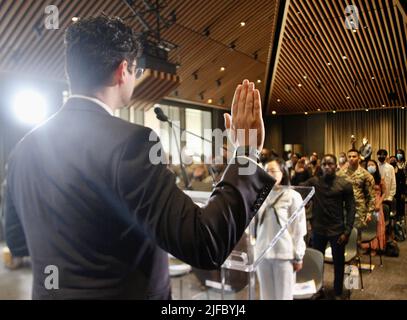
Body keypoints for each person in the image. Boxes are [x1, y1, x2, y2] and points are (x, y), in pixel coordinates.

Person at [4, 16, 275, 300]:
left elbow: (18, 241)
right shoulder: (131, 144)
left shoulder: (22, 149)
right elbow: (204, 243)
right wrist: (245, 154)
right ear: (123, 71)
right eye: (135, 70)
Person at [302, 154, 355, 299]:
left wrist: (348, 231)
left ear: (336, 165)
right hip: (318, 230)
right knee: (317, 263)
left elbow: (351, 208)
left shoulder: (344, 184)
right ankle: (319, 289)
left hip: (337, 230)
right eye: (324, 164)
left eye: (330, 164)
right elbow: (297, 189)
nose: (327, 166)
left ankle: (338, 291)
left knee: (339, 263)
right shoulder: (314, 182)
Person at [255, 158, 306, 300]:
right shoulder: (260, 195)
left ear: (283, 172)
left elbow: (299, 229)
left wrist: (298, 255)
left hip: (284, 255)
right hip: (262, 253)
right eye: (266, 171)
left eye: (272, 170)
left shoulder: (293, 196)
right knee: (266, 296)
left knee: (283, 296)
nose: (268, 174)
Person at [338, 149, 375, 230]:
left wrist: (369, 212)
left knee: (358, 235)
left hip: (359, 209)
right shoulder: (340, 173)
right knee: (343, 234)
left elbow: (371, 196)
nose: (351, 158)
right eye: (349, 156)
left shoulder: (366, 175)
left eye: (354, 156)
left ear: (359, 158)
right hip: (344, 208)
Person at [364, 160, 386, 254]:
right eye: (368, 165)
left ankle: (375, 248)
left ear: (376, 167)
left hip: (377, 203)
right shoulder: (364, 178)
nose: (370, 166)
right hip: (366, 203)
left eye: (372, 165)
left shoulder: (380, 179)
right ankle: (367, 246)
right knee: (367, 224)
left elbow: (384, 193)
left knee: (376, 225)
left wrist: (379, 203)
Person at [377, 149, 396, 221]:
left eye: (383, 155)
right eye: (380, 155)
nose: (381, 156)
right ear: (377, 156)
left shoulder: (390, 167)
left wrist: (391, 196)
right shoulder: (376, 166)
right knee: (378, 217)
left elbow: (393, 182)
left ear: (386, 156)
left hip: (387, 196)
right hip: (377, 196)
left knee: (387, 217)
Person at [390, 153, 406, 221]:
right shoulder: (388, 169)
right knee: (391, 207)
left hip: (399, 191)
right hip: (390, 191)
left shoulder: (400, 170)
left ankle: (399, 221)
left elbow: (403, 182)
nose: (393, 161)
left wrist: (403, 193)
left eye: (394, 160)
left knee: (399, 205)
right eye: (391, 160)